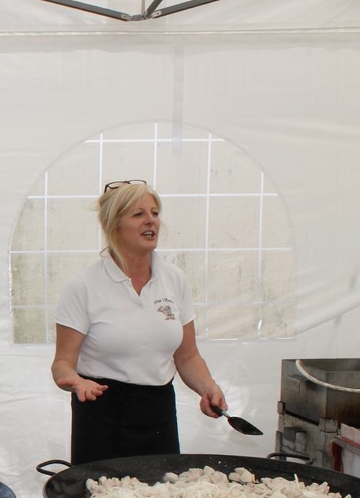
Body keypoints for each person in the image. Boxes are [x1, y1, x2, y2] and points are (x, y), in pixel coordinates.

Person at [50, 180, 227, 464]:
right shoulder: (83, 285)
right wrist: (75, 381)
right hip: (101, 413)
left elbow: (187, 355)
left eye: (155, 213)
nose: (151, 221)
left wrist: (209, 387)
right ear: (114, 225)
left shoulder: (174, 280)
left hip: (158, 414)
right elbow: (62, 363)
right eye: (138, 214)